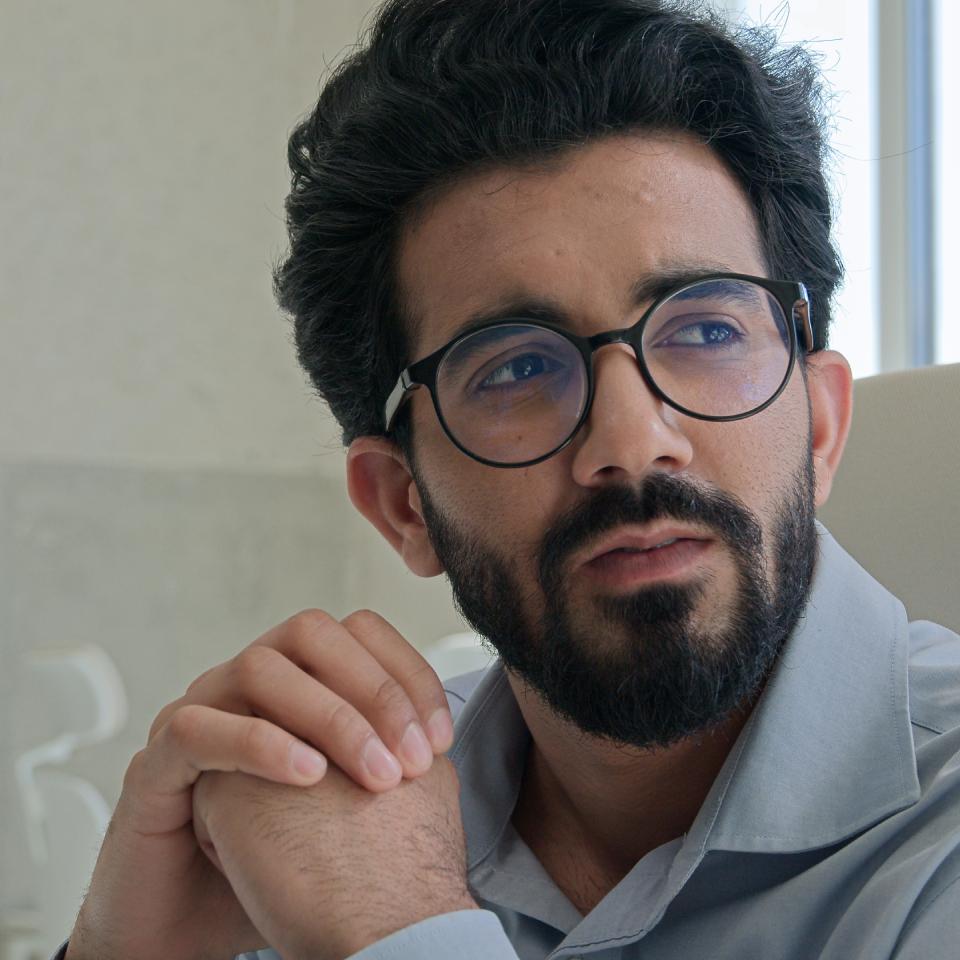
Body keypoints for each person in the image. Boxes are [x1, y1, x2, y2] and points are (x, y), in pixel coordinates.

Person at [56, 0, 960, 958]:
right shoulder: (321, 814)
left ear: (819, 424)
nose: (631, 439)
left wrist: (399, 934)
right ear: (403, 505)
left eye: (705, 330)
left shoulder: (362, 893)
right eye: (518, 367)